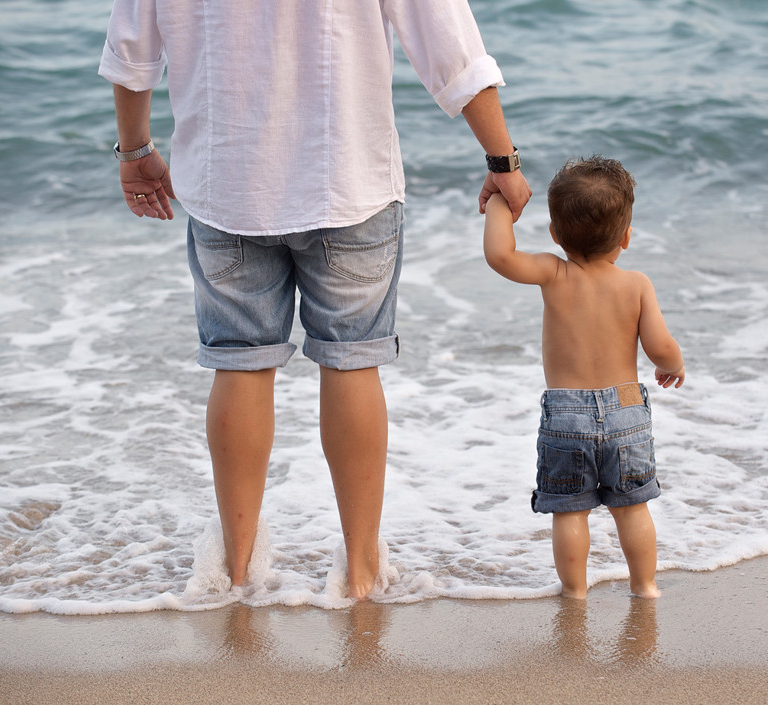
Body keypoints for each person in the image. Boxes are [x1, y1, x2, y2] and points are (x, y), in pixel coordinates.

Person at [99, 1, 532, 599]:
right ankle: (359, 576)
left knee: (239, 363)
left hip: (228, 184)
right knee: (352, 361)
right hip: (349, 181)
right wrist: (502, 158)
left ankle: (238, 575)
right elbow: (447, 41)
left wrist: (134, 150)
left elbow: (132, 51)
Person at [482, 156, 683, 599]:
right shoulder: (636, 284)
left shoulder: (553, 273)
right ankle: (645, 587)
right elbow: (660, 346)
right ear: (626, 237)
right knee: (633, 509)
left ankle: (574, 592)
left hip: (566, 416)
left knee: (570, 513)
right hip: (626, 411)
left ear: (555, 235)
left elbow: (499, 255)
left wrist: (499, 196)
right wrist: (674, 364)